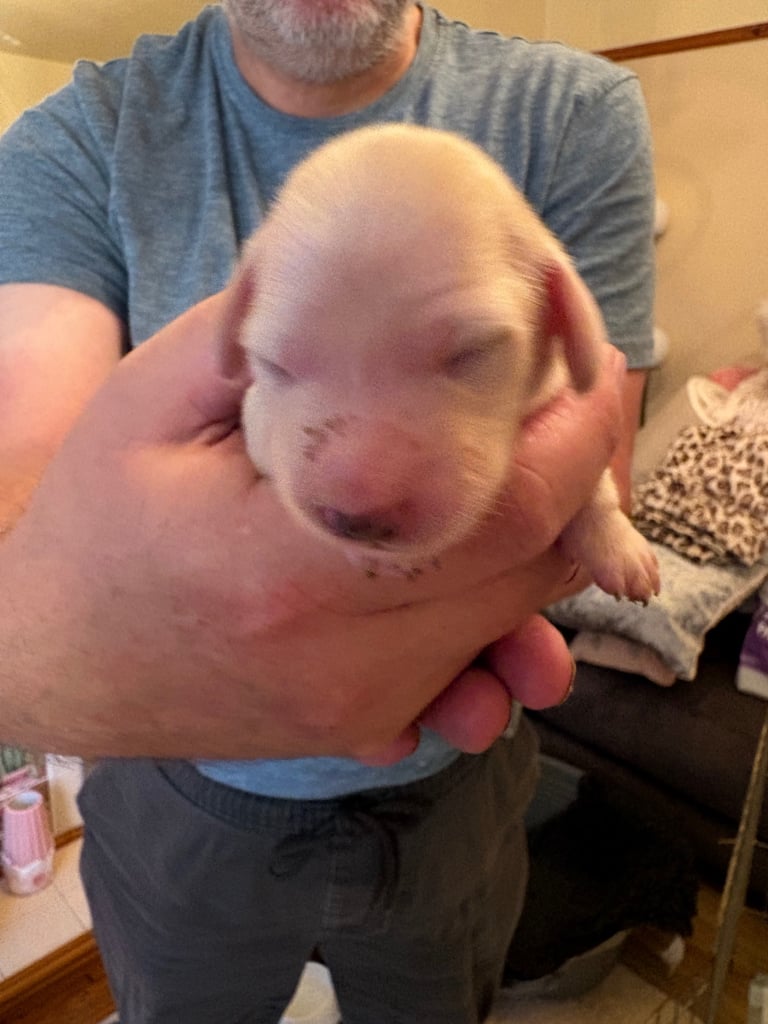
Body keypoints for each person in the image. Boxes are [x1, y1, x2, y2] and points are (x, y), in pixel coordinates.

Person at [0, 2, 655, 1021]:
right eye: (283, 362)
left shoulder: (573, 111)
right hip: (181, 794)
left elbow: (589, 429)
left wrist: (596, 511)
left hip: (458, 784)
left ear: (552, 315)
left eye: (464, 352)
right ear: (236, 347)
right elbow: (20, 509)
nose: (361, 486)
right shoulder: (75, 136)